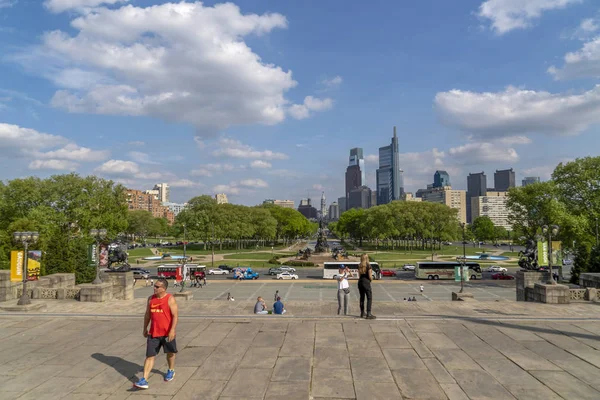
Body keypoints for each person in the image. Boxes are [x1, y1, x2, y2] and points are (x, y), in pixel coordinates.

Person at [134, 278, 179, 390]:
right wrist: (145, 328)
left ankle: (171, 370)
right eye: (154, 286)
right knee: (150, 356)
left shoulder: (170, 299)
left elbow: (175, 316)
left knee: (170, 353)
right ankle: (144, 379)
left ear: (163, 288)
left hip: (167, 333)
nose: (154, 288)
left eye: (157, 286)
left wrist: (172, 330)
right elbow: (147, 315)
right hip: (153, 333)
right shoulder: (151, 299)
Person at [357, 254, 376, 319]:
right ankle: (369, 313)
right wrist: (371, 280)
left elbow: (359, 275)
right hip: (366, 282)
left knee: (362, 297)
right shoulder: (368, 266)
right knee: (369, 297)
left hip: (360, 282)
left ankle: (362, 312)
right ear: (367, 258)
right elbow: (370, 276)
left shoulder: (359, 265)